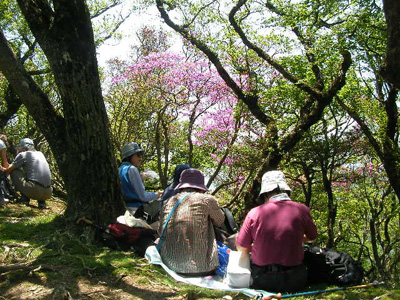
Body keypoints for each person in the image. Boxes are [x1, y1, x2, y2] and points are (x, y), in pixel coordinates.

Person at [236, 170, 318, 293]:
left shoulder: (255, 212)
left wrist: (256, 245)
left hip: (263, 279)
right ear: (286, 190)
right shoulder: (302, 210)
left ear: (265, 193)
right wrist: (293, 237)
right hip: (294, 280)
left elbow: (241, 247)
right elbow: (313, 237)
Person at [158, 168, 225, 276]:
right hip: (201, 268)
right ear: (200, 187)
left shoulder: (169, 201)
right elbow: (220, 221)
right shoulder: (207, 200)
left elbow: (160, 230)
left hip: (169, 265)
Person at [0, 138, 52, 209]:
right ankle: (41, 202)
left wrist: (2, 169)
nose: (19, 150)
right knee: (32, 174)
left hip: (34, 191)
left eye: (20, 148)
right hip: (48, 192)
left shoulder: (23, 154)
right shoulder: (40, 154)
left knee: (14, 171)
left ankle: (24, 199)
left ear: (23, 148)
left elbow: (8, 170)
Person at [118, 142, 162, 219]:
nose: (141, 158)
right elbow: (143, 197)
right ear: (129, 156)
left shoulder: (120, 169)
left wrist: (141, 179)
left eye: (141, 155)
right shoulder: (132, 169)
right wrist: (157, 194)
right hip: (136, 211)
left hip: (125, 209)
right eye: (138, 155)